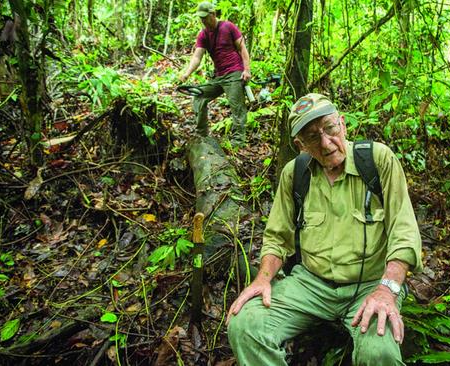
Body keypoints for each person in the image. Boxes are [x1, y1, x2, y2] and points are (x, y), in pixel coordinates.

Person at [226, 93, 423, 365]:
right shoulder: (295, 174)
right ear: (300, 145)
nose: (326, 143)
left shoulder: (377, 161)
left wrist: (388, 289)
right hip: (310, 285)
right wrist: (263, 278)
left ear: (342, 123)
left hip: (369, 284)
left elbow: (404, 231)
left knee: (379, 353)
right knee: (245, 325)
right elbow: (277, 236)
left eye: (330, 128)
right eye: (312, 137)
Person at [180, 1, 251, 143]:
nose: (203, 21)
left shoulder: (228, 27)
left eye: (205, 17)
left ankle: (238, 142)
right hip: (218, 76)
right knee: (199, 95)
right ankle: (202, 135)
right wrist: (187, 73)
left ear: (213, 14)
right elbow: (197, 56)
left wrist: (246, 70)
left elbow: (242, 48)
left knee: (236, 106)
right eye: (201, 18)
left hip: (234, 73)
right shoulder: (203, 35)